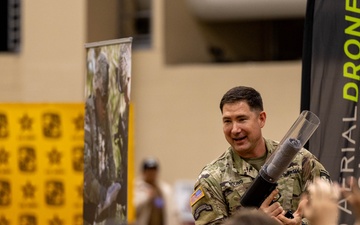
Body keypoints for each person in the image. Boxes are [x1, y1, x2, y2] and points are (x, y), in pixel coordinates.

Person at [190, 86, 331, 225]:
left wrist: (299, 223)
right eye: (227, 121)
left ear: (261, 119)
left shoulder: (301, 161)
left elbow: (329, 211)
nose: (235, 129)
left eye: (242, 119)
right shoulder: (211, 179)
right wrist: (256, 222)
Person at [83, 51, 122, 225]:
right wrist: (102, 194)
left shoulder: (103, 117)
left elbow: (109, 157)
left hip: (103, 209)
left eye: (107, 99)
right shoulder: (86, 119)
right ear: (97, 93)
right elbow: (83, 169)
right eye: (102, 98)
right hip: (86, 208)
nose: (105, 106)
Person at [134, 157, 180, 225]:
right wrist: (146, 197)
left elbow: (173, 212)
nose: (151, 173)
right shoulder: (135, 187)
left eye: (153, 171)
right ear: (144, 172)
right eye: (149, 171)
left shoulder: (165, 189)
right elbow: (133, 208)